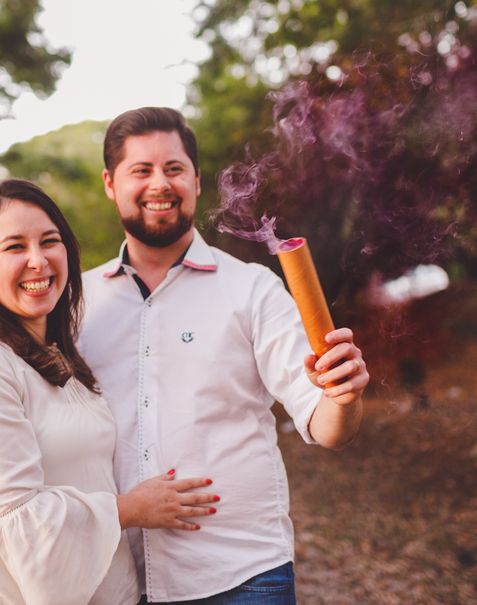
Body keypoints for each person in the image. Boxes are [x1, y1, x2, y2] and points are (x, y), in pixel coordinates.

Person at [78, 107, 370, 604]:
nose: (159, 184)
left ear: (195, 178)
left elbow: (327, 427)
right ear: (111, 183)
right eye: (140, 170)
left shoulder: (252, 289)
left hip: (241, 577)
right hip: (114, 580)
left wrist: (342, 396)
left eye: (173, 168)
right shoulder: (78, 304)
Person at [0, 179, 218, 605]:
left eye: (50, 241)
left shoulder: (60, 357)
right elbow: (18, 518)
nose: (37, 260)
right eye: (14, 247)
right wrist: (132, 509)